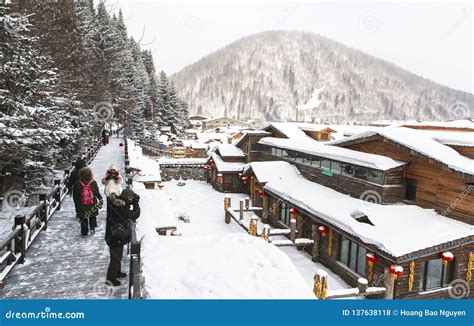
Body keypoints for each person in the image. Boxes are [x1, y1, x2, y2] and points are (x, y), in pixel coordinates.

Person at [105, 188, 140, 286]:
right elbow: (135, 214)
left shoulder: (116, 204)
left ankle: (117, 272)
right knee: (115, 258)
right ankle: (110, 279)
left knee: (118, 256)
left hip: (114, 236)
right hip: (114, 238)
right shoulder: (120, 209)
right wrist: (136, 203)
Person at [73, 167, 103, 236]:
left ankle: (84, 232)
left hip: (82, 205)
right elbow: (97, 193)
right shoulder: (93, 182)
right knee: (92, 216)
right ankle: (92, 227)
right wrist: (100, 199)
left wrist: (77, 205)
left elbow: (75, 196)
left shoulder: (77, 184)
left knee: (83, 218)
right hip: (92, 203)